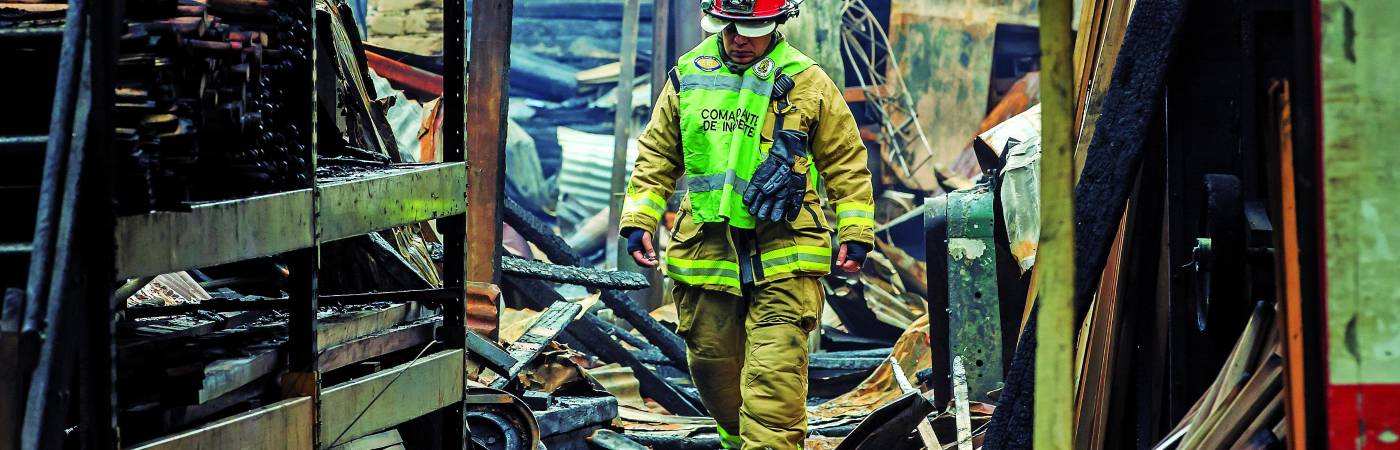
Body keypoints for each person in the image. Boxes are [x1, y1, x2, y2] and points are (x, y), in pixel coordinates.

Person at [618, 0, 875, 448]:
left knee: (772, 384)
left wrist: (855, 231)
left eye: (751, 29)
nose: (739, 39)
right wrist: (641, 215)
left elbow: (845, 161)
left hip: (785, 254)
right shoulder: (688, 75)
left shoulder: (808, 81)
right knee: (713, 369)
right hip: (707, 256)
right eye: (729, 27)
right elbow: (657, 154)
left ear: (777, 23)